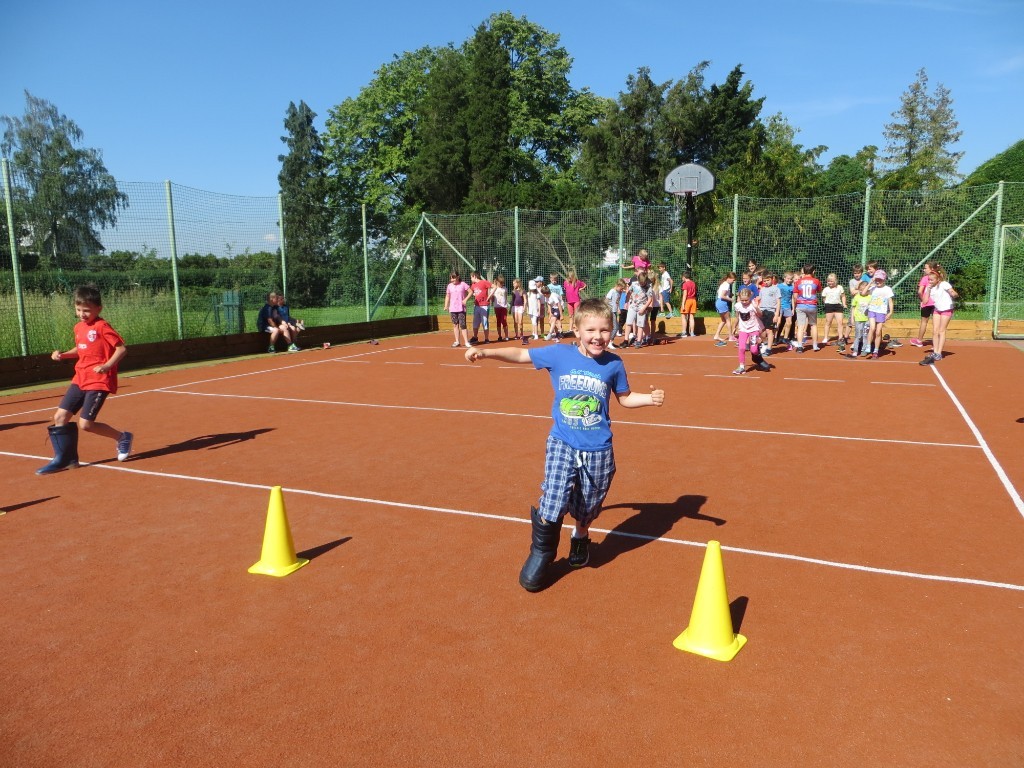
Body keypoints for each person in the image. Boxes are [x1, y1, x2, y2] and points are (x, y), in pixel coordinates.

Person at [463, 297, 665, 591]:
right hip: (563, 441)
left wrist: (649, 399)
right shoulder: (559, 354)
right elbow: (521, 355)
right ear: (577, 329)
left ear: (612, 330)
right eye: (591, 330)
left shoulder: (614, 363)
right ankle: (542, 552)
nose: (598, 337)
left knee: (587, 506)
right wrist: (486, 352)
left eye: (604, 330)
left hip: (598, 448)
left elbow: (625, 398)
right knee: (554, 497)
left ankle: (580, 536)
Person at [37, 284, 134, 475]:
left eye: (87, 310)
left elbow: (121, 349)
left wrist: (107, 366)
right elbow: (81, 349)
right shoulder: (78, 327)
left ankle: (122, 437)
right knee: (59, 417)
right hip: (80, 378)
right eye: (78, 309)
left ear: (99, 309)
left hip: (98, 380)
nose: (82, 314)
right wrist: (63, 355)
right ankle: (65, 459)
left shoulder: (102, 326)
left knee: (86, 424)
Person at [920, 266, 958, 365]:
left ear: (937, 279)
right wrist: (928, 290)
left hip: (946, 309)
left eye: (932, 280)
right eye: (929, 280)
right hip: (937, 309)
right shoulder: (929, 288)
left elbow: (953, 292)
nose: (930, 281)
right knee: (935, 331)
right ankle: (935, 351)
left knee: (941, 330)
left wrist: (953, 294)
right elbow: (925, 301)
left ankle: (939, 353)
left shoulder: (944, 284)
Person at [733, 288, 770, 375]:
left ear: (750, 297)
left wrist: (756, 308)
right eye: (742, 300)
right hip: (743, 329)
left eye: (746, 300)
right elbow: (737, 317)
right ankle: (741, 367)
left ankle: (757, 354)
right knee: (742, 348)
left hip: (754, 329)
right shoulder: (738, 306)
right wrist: (734, 327)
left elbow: (760, 315)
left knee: (753, 350)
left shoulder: (753, 305)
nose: (744, 302)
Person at [792, 264, 822, 353]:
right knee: (813, 325)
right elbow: (819, 290)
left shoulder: (798, 282)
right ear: (813, 271)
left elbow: (795, 296)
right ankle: (815, 345)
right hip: (812, 305)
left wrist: (796, 304)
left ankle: (800, 346)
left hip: (801, 305)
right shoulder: (816, 281)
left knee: (800, 326)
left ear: (804, 272)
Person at [864, 269, 894, 358]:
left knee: (878, 332)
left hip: (881, 312)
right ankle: (868, 346)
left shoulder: (887, 289)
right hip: (872, 310)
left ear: (884, 280)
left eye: (880, 279)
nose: (878, 281)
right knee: (872, 328)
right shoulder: (873, 288)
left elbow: (890, 302)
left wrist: (890, 312)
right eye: (876, 279)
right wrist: (871, 282)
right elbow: (863, 292)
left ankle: (876, 350)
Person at [911, 261, 937, 347]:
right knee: (936, 323)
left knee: (924, 322)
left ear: (931, 269)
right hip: (937, 303)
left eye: (926, 268)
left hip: (927, 302)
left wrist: (923, 300)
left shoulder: (925, 278)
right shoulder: (939, 278)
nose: (924, 270)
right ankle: (936, 344)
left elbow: (920, 291)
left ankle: (919, 341)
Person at [443, 271, 472, 348]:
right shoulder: (449, 286)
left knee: (463, 325)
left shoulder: (463, 284)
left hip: (461, 308)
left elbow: (470, 292)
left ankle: (466, 342)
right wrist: (446, 305)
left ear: (458, 277)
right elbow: (447, 296)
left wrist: (465, 300)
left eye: (453, 278)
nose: (452, 280)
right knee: (455, 325)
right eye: (451, 278)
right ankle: (457, 341)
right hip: (452, 309)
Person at [625, 272, 653, 348]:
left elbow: (650, 299)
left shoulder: (648, 287)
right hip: (633, 306)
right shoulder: (634, 284)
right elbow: (629, 293)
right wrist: (626, 302)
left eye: (643, 283)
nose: (641, 284)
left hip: (642, 307)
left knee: (640, 324)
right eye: (640, 282)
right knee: (628, 322)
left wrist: (644, 308)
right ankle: (626, 340)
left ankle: (639, 341)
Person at [820, 273, 847, 348]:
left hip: (838, 306)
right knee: (828, 322)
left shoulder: (840, 287)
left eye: (832, 281)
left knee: (840, 322)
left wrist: (844, 304)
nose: (830, 283)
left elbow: (843, 296)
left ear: (835, 281)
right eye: (829, 281)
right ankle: (826, 337)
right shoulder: (826, 289)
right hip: (829, 306)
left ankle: (840, 338)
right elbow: (824, 298)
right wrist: (826, 303)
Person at [757, 272, 781, 353]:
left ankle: (769, 349)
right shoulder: (762, 289)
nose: (766, 282)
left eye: (768, 280)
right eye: (764, 281)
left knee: (769, 330)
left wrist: (776, 314)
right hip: (762, 311)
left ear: (772, 279)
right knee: (761, 331)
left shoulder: (776, 289)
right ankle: (765, 343)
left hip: (771, 312)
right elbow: (759, 300)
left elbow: (778, 302)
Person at [847, 282, 872, 358]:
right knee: (858, 335)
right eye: (860, 290)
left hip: (867, 320)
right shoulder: (857, 297)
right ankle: (855, 350)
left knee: (865, 335)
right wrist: (852, 318)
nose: (861, 291)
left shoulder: (870, 297)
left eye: (863, 290)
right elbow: (853, 308)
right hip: (858, 319)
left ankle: (864, 350)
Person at [712, 272, 736, 347]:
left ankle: (716, 335)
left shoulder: (723, 284)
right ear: (729, 278)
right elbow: (722, 296)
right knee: (728, 320)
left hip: (718, 302)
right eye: (733, 280)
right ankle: (730, 336)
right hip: (722, 302)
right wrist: (730, 299)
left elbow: (719, 293)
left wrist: (729, 294)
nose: (733, 282)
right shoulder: (726, 284)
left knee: (723, 320)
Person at [469, 271, 492, 344]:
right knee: (475, 322)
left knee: (484, 322)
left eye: (471, 277)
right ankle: (475, 337)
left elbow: (494, 286)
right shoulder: (473, 285)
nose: (471, 279)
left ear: (474, 276)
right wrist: (474, 294)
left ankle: (486, 338)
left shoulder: (484, 282)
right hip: (477, 306)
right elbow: (471, 292)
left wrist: (489, 296)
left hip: (484, 306)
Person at [605, 279, 626, 343]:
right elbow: (606, 300)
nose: (622, 290)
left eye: (623, 289)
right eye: (621, 288)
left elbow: (617, 301)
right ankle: (610, 341)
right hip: (610, 311)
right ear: (617, 285)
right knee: (615, 327)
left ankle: (610, 341)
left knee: (613, 327)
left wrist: (618, 308)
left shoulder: (619, 292)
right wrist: (606, 309)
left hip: (614, 311)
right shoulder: (612, 291)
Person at [777, 271, 796, 343]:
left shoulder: (792, 287)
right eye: (788, 278)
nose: (789, 280)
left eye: (791, 279)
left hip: (787, 307)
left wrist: (793, 308)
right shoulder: (779, 286)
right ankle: (776, 338)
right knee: (778, 323)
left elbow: (792, 298)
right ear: (784, 278)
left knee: (789, 322)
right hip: (779, 306)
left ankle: (785, 338)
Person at [678, 271, 697, 337]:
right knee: (692, 318)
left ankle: (684, 332)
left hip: (687, 300)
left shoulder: (685, 284)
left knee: (683, 316)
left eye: (682, 277)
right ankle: (692, 333)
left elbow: (685, 294)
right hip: (693, 300)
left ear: (684, 277)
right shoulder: (693, 283)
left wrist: (683, 304)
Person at [492, 276, 509, 342]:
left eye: (502, 283)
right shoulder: (494, 289)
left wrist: (506, 305)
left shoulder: (505, 289)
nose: (502, 284)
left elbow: (506, 297)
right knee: (498, 321)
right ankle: (499, 336)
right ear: (497, 282)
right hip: (497, 307)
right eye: (500, 283)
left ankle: (506, 336)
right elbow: (492, 299)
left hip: (503, 307)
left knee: (504, 321)